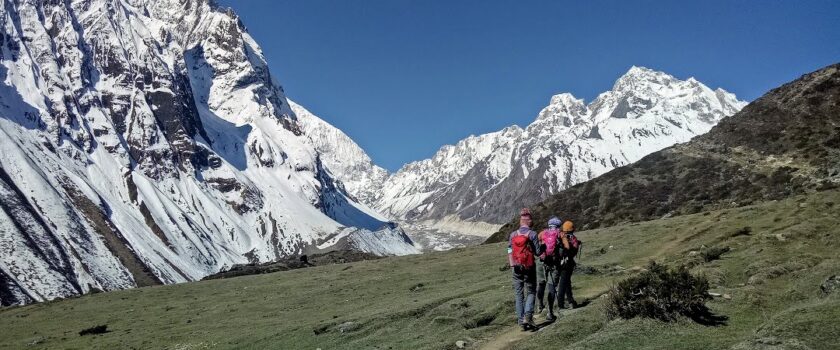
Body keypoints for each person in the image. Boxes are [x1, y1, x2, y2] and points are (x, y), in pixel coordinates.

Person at [508, 208, 541, 331]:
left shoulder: (513, 235)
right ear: (528, 221)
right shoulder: (532, 234)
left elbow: (509, 250)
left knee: (518, 294)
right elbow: (537, 253)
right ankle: (528, 315)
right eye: (531, 220)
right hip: (529, 266)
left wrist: (512, 264)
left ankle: (521, 321)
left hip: (516, 267)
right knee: (531, 291)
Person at [536, 217, 563, 322]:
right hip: (554, 264)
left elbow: (536, 244)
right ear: (558, 225)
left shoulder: (542, 233)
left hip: (541, 262)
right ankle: (550, 312)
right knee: (552, 287)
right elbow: (566, 247)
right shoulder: (560, 234)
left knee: (541, 283)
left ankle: (539, 305)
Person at [557, 220, 580, 309]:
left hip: (559, 263)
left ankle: (570, 301)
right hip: (568, 263)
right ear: (572, 229)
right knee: (564, 283)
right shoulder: (573, 238)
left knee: (565, 282)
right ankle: (561, 304)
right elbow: (574, 251)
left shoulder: (560, 236)